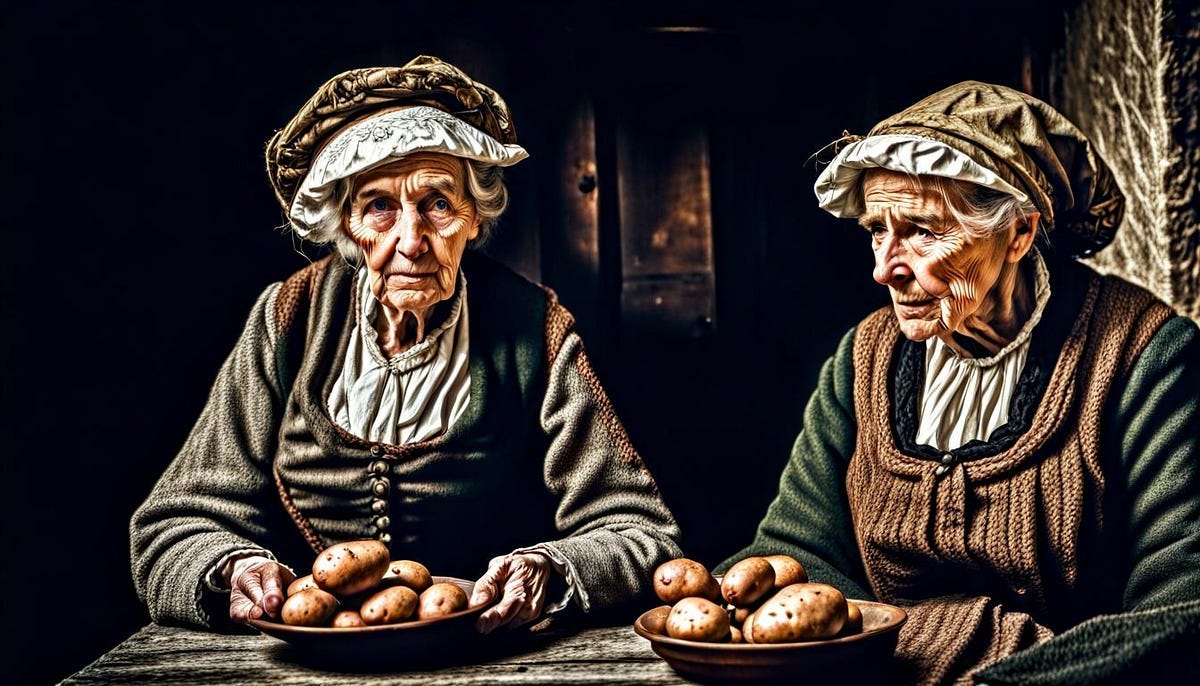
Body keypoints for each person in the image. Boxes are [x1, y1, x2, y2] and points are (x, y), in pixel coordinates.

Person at [130, 55, 682, 635]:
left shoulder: (536, 329)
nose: (412, 241)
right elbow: (172, 524)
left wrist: (550, 569)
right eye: (379, 207)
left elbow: (640, 529)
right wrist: (231, 570)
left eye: (439, 204)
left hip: (488, 651)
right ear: (347, 224)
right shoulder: (287, 318)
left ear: (476, 218)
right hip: (305, 659)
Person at [721, 81, 1200, 684]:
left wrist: (946, 649)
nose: (883, 269)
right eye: (876, 229)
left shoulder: (1145, 357)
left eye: (921, 231)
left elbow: (1180, 613)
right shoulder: (864, 358)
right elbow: (798, 556)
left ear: (1018, 235)